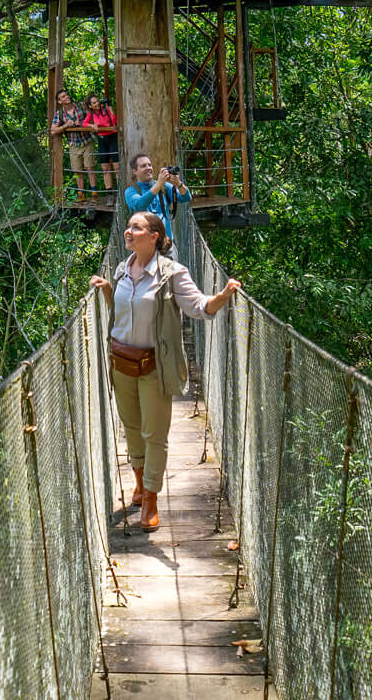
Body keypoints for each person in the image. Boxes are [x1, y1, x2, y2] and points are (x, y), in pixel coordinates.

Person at [89, 210, 240, 530]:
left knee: (153, 433)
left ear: (154, 236)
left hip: (154, 364)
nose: (128, 232)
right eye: (128, 226)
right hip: (121, 362)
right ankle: (141, 484)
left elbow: (199, 307)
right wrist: (106, 290)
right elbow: (121, 312)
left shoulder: (172, 273)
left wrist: (223, 297)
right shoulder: (121, 270)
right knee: (131, 428)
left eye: (136, 228)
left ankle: (152, 499)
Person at [122, 154, 191, 240]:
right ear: (134, 171)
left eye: (149, 165)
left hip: (166, 244)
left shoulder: (164, 186)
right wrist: (158, 184)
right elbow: (139, 205)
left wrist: (179, 183)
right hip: (143, 246)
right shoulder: (130, 191)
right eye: (143, 166)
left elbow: (186, 198)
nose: (148, 168)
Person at [49, 89, 95, 200]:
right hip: (73, 144)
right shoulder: (60, 114)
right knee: (77, 171)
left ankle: (94, 194)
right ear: (60, 101)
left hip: (87, 141)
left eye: (67, 95)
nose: (67, 97)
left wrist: (83, 124)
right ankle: (81, 195)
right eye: (63, 97)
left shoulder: (81, 107)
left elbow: (94, 119)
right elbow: (53, 130)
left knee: (90, 168)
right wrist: (65, 126)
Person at [85, 91, 119, 192]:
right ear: (90, 106)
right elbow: (85, 123)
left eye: (97, 101)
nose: (97, 104)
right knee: (105, 168)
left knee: (117, 168)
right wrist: (92, 125)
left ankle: (120, 194)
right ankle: (109, 194)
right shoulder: (91, 113)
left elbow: (114, 121)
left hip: (112, 137)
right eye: (94, 103)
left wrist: (110, 107)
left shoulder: (106, 109)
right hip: (102, 140)